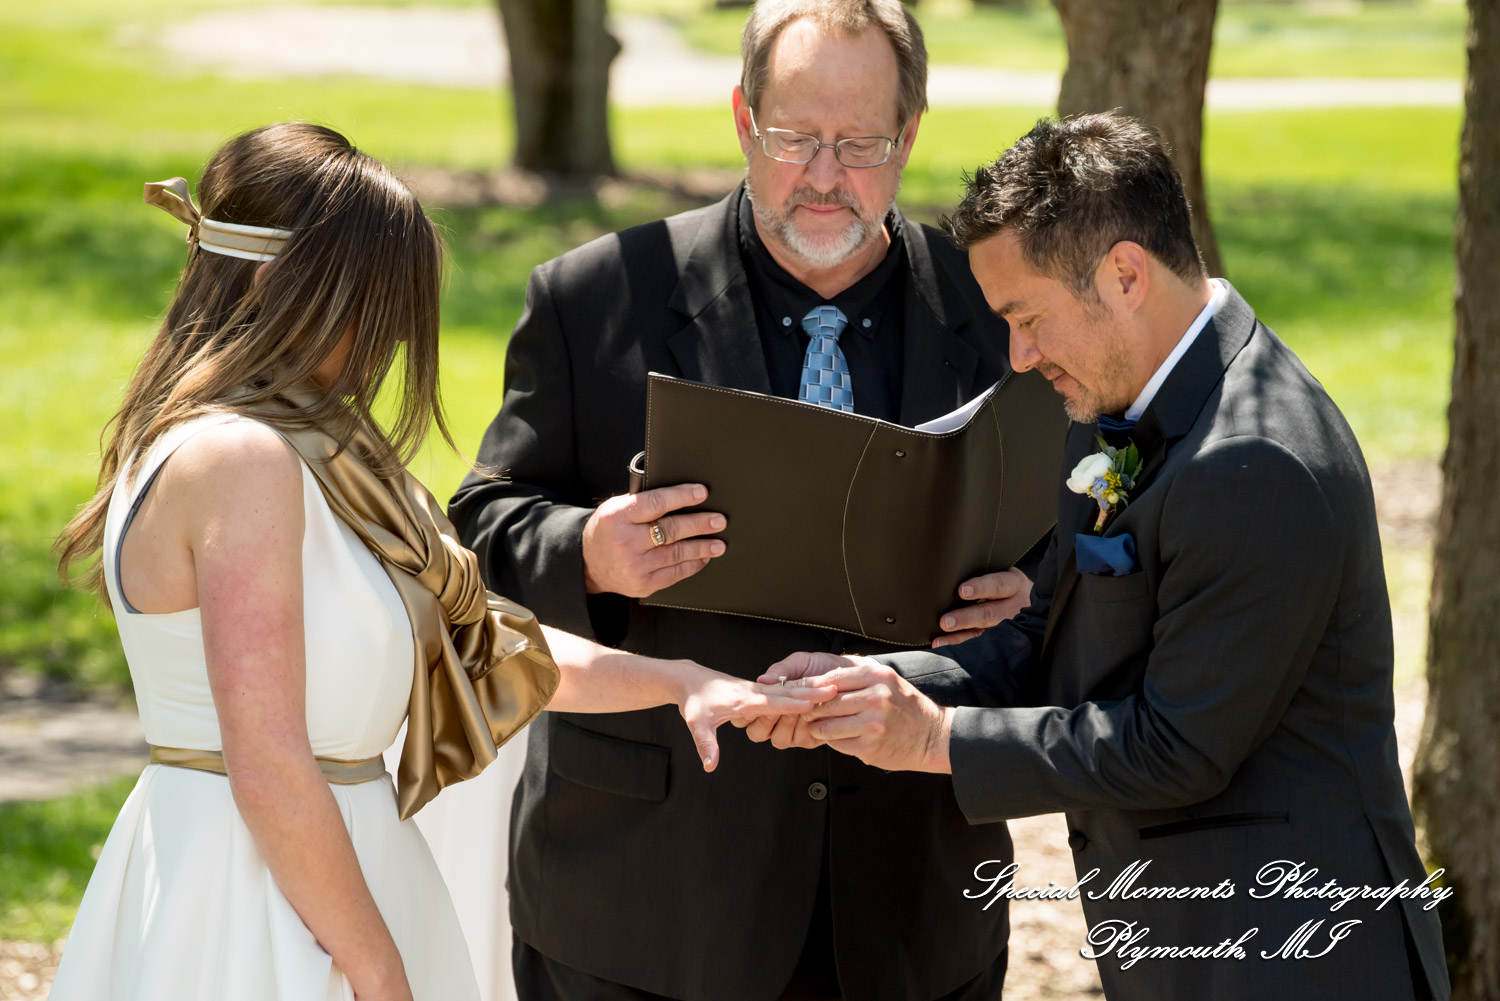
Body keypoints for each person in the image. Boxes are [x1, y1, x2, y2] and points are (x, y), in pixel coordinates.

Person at [48, 122, 831, 1001]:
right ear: (278, 287)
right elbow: (266, 762)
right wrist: (378, 968)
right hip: (252, 897)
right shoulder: (241, 460)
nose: (384, 348)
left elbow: (484, 646)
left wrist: (679, 678)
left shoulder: (321, 453)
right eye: (371, 309)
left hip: (329, 872)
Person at [750, 112, 1451, 1001]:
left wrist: (934, 739)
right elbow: (1050, 630)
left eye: (1028, 316)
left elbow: (1175, 746)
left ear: (1124, 274)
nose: (1018, 354)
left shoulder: (1257, 459)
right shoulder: (1115, 404)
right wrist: (873, 685)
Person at [445, 2, 1054, 998]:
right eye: (795, 138)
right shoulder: (594, 295)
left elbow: (1080, 524)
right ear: (741, 120)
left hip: (911, 893)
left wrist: (1028, 592)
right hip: (647, 894)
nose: (823, 175)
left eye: (859, 144)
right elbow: (477, 538)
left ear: (909, 135)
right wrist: (589, 551)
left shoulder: (993, 306)